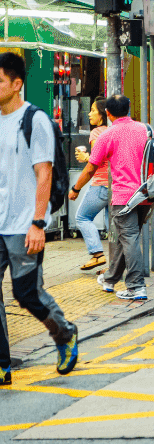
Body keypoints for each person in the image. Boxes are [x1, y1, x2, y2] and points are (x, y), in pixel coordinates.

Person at [0, 52, 78, 382]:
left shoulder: (35, 120)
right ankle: (3, 363)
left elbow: (43, 173)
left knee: (26, 294)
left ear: (17, 85)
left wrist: (38, 222)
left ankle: (64, 333)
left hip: (23, 225)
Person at [71, 96, 153, 301]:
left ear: (107, 113)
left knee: (129, 239)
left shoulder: (107, 135)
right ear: (129, 109)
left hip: (124, 195)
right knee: (125, 239)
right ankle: (110, 279)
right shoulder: (146, 129)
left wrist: (75, 188)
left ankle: (136, 286)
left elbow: (91, 167)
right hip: (146, 194)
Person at [71, 98, 110, 271]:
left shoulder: (96, 133)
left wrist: (76, 188)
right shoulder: (113, 131)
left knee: (82, 217)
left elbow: (96, 161)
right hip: (116, 185)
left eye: (93, 110)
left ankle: (97, 254)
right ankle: (115, 267)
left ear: (101, 114)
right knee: (114, 227)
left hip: (101, 184)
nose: (89, 113)